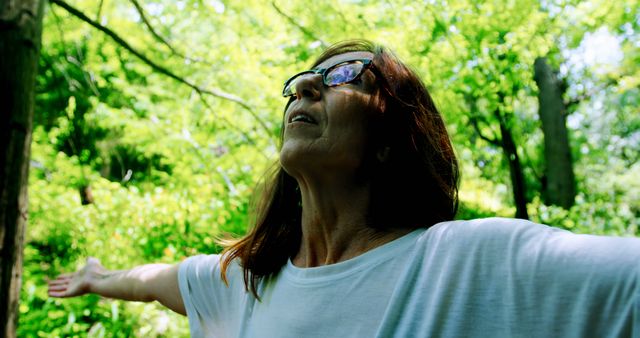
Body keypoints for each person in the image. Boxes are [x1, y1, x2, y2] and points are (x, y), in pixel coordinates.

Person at [48, 39, 640, 338]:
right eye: (303, 79)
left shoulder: (471, 263)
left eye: (341, 76)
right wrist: (97, 279)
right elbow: (155, 281)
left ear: (390, 140)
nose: (305, 83)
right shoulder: (244, 283)